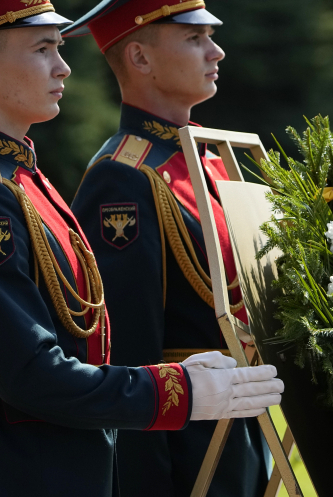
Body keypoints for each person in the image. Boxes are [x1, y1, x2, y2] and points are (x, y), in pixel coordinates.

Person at [0, 2, 283, 495]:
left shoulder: (28, 180)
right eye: (43, 49)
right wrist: (176, 394)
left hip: (206, 424)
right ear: (140, 58)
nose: (64, 66)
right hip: (61, 462)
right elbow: (43, 366)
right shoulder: (117, 176)